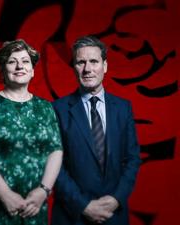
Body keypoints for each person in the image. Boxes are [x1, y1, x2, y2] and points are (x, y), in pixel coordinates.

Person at [51, 36, 141, 225]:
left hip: (114, 214)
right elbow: (53, 166)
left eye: (94, 61)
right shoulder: (57, 110)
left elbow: (132, 159)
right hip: (72, 216)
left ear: (105, 66)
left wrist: (117, 199)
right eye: (80, 62)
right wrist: (84, 205)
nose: (88, 69)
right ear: (74, 67)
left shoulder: (123, 108)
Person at [0, 39, 63, 225]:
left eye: (25, 61)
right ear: (3, 70)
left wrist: (43, 191)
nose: (19, 66)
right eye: (12, 61)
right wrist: (5, 195)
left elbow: (56, 150)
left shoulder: (45, 107)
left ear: (32, 71)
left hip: (36, 205)